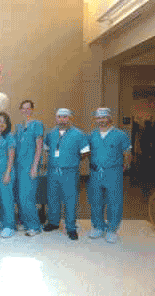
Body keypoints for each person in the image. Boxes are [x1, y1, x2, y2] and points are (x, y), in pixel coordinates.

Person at [43, 108, 89, 241]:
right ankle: (53, 222)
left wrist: (72, 161)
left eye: (65, 117)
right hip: (53, 172)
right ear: (56, 118)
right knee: (52, 198)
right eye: (59, 117)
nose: (62, 119)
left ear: (70, 118)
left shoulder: (78, 134)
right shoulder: (51, 134)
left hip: (70, 172)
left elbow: (85, 152)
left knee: (70, 200)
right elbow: (47, 150)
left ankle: (71, 227)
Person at [88, 108, 131, 244]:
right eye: (98, 118)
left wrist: (125, 166)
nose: (101, 121)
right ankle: (98, 227)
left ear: (109, 118)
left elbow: (127, 153)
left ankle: (112, 229)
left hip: (113, 172)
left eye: (104, 117)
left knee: (114, 201)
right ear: (95, 120)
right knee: (96, 200)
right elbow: (86, 152)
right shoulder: (92, 135)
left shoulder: (120, 134)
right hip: (95, 173)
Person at [14, 100, 43, 236]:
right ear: (20, 110)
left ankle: (34, 226)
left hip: (29, 166)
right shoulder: (19, 127)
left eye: (28, 108)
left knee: (28, 197)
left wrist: (35, 166)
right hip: (19, 167)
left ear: (32, 109)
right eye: (23, 108)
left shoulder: (37, 125)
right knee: (20, 197)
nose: (26, 111)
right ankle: (25, 223)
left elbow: (39, 147)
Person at [0, 112, 16, 238]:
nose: (0, 124)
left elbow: (11, 156)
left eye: (3, 121)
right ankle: (3, 220)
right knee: (0, 197)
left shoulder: (9, 137)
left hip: (6, 171)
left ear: (7, 124)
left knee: (7, 199)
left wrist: (7, 173)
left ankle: (9, 226)